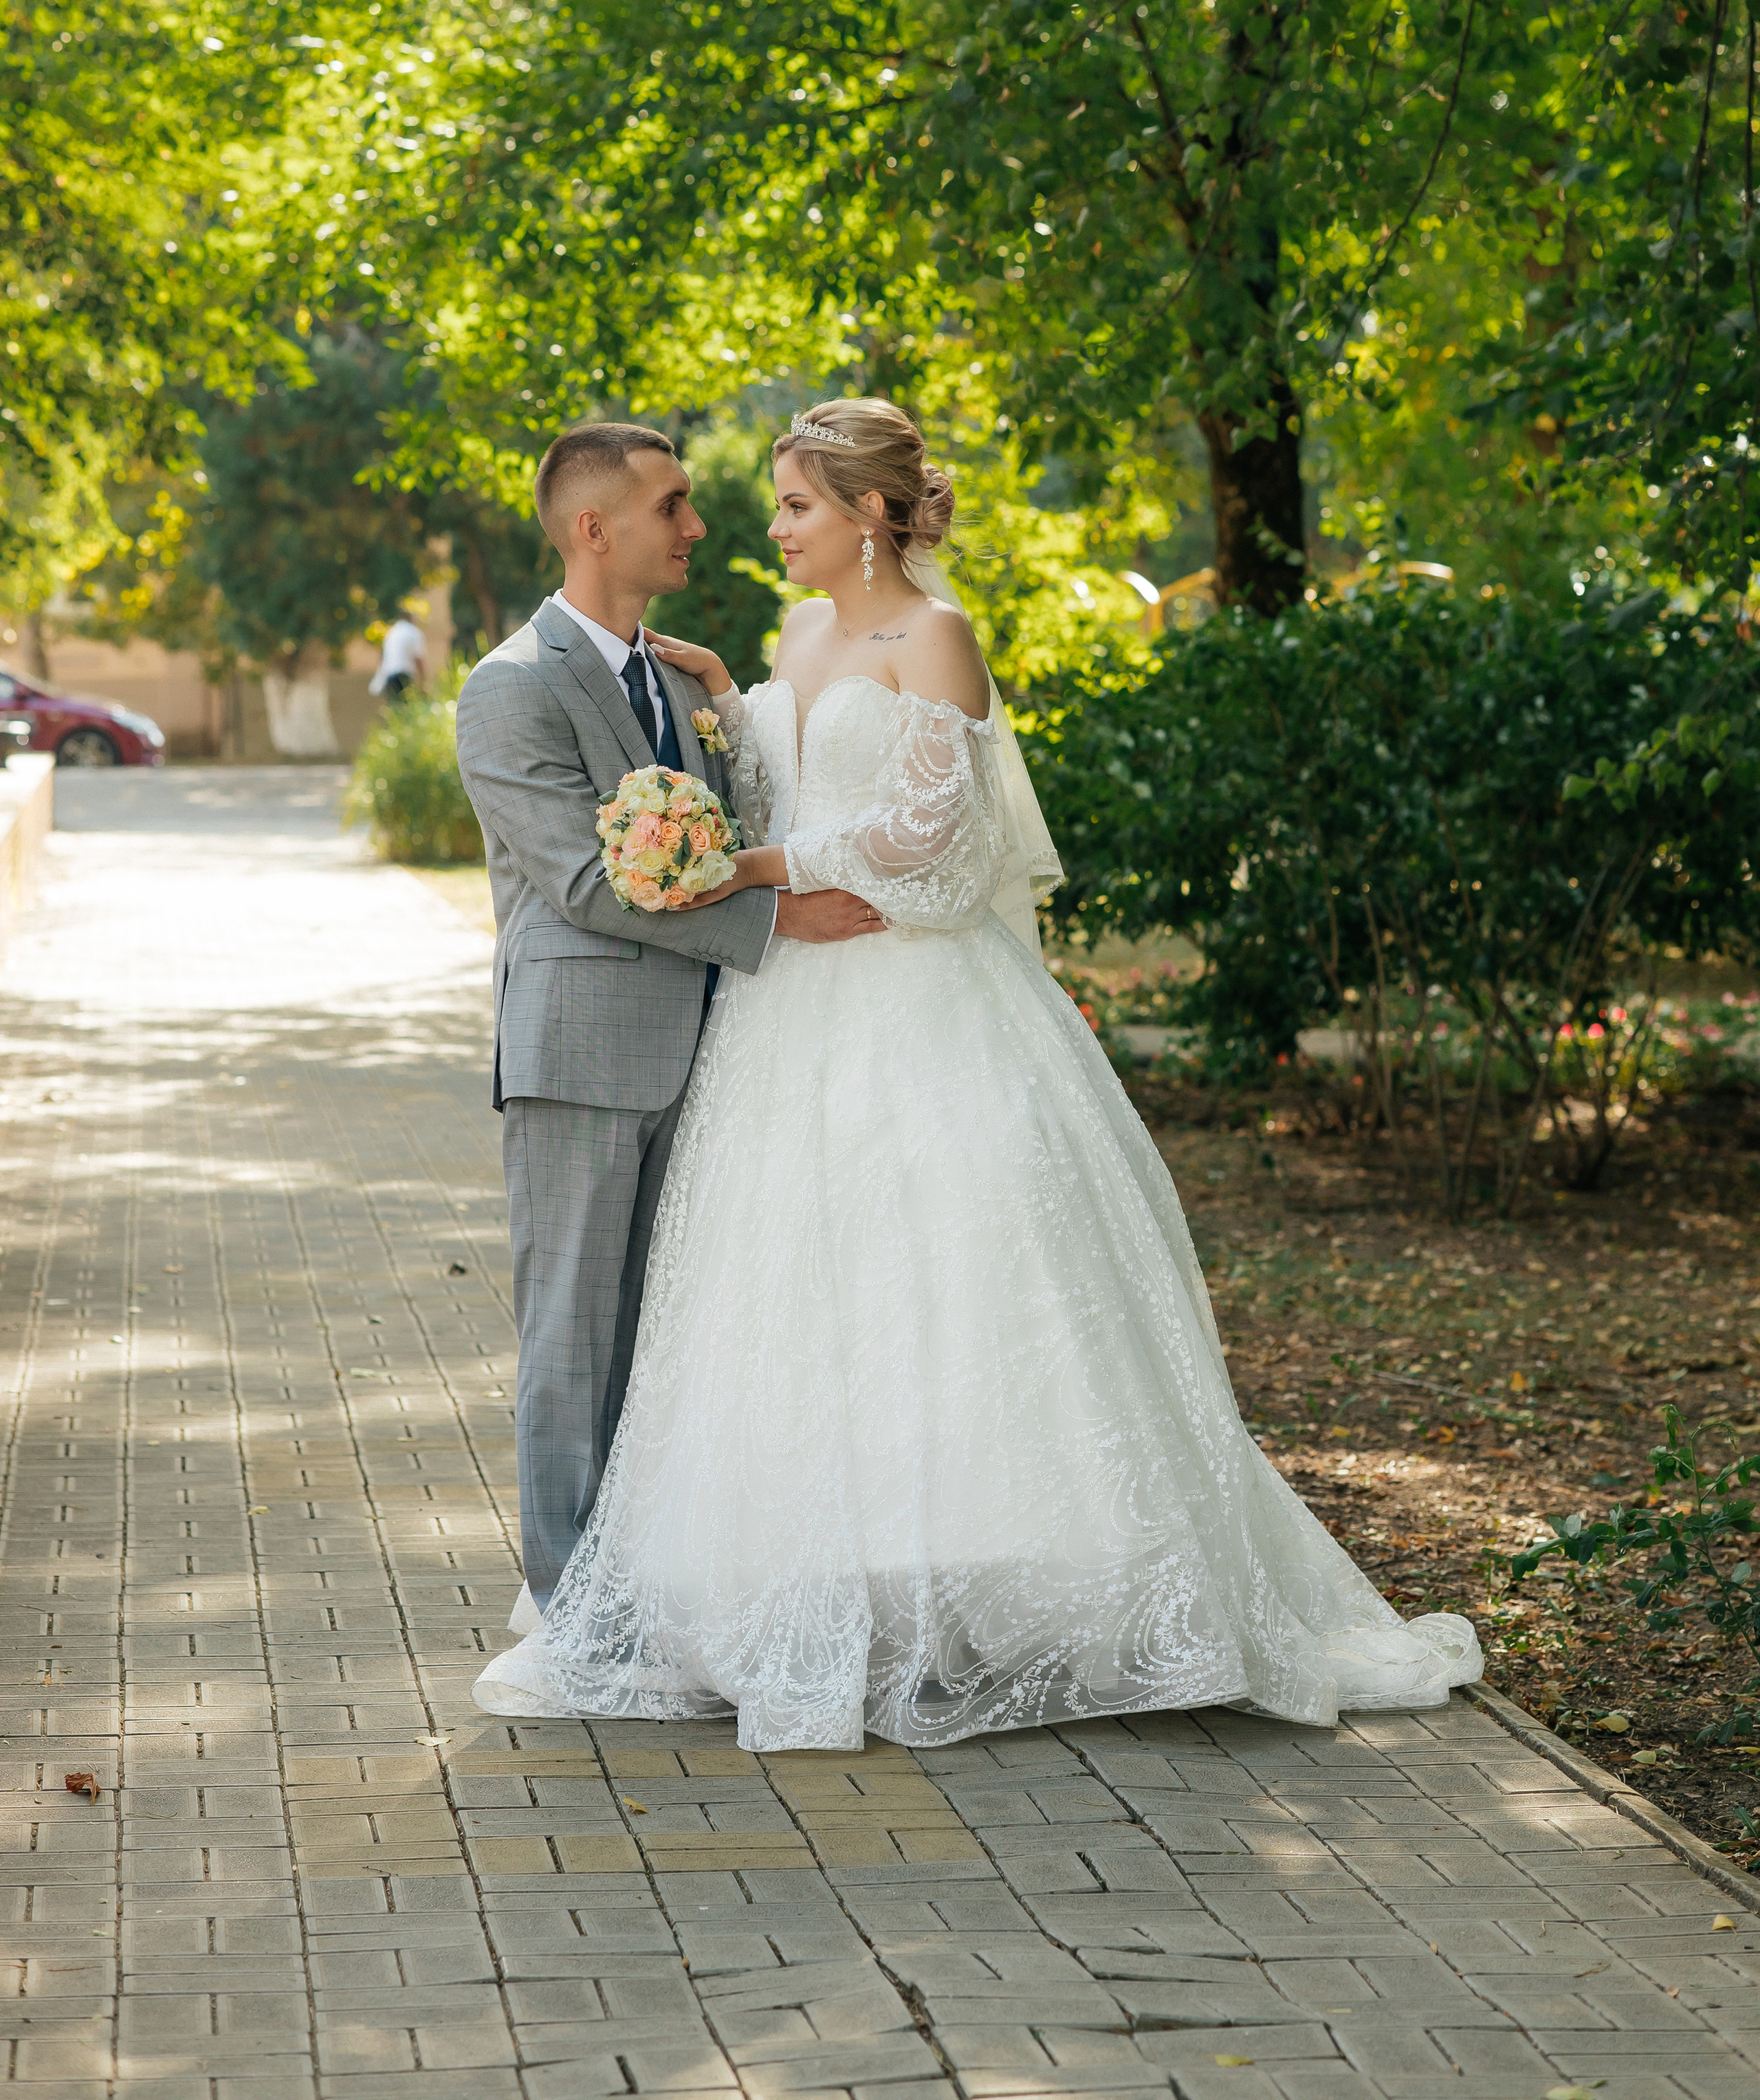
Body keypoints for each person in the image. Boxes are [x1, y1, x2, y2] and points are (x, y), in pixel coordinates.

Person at [472, 400, 1482, 1743]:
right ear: (599, 523)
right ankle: (639, 1596)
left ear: (866, 512)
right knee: (737, 1319)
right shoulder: (708, 654)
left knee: (937, 1287)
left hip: (892, 997)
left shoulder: (931, 636)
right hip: (753, 1020)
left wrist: (764, 864)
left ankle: (954, 1593)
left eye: (788, 506)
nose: (750, 530)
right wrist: (741, 754)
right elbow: (699, 837)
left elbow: (932, 841)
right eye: (725, 505)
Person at [454, 421, 887, 1644]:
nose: (699, 526)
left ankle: (639, 1582)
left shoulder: (675, 677)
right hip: (582, 1056)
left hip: (711, 1048)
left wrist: (719, 703)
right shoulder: (512, 689)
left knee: (661, 1343)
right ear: (597, 528)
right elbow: (589, 886)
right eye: (675, 505)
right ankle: (568, 1612)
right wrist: (777, 919)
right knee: (573, 1344)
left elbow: (732, 819)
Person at [369, 610, 426, 700]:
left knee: (394, 707)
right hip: (404, 676)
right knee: (406, 708)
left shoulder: (391, 633)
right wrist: (424, 682)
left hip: (389, 677)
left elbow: (382, 657)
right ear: (411, 618)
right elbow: (418, 658)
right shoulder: (413, 632)